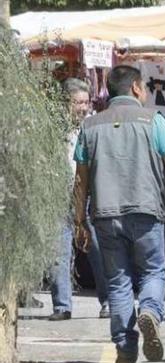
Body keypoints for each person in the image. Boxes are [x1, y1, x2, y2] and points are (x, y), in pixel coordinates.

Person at [73, 66, 165, 363]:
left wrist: (78, 220)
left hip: (105, 215)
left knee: (118, 281)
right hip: (146, 211)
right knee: (152, 272)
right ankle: (149, 311)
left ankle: (124, 349)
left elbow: (80, 179)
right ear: (136, 88)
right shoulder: (153, 120)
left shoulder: (90, 125)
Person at [49, 78, 109, 321]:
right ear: (66, 103)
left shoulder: (94, 127)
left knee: (99, 250)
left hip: (89, 195)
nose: (83, 107)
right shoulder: (52, 129)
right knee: (59, 251)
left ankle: (109, 302)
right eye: (78, 103)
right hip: (60, 195)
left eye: (86, 102)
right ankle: (62, 306)